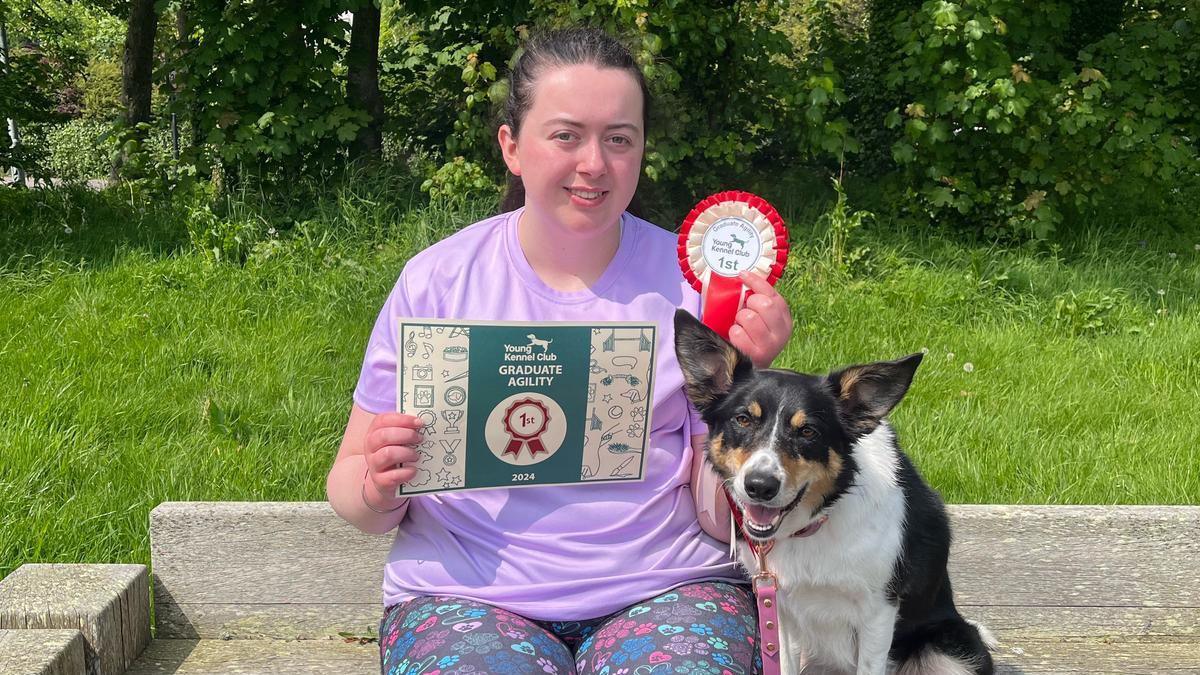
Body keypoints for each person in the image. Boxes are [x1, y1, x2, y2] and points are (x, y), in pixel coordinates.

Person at [326, 27, 795, 674]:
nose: (594, 163)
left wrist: (749, 391)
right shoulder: (437, 281)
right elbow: (351, 489)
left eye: (619, 138)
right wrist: (379, 486)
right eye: (566, 135)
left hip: (669, 589)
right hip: (464, 595)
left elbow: (724, 521)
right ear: (512, 147)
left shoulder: (699, 289)